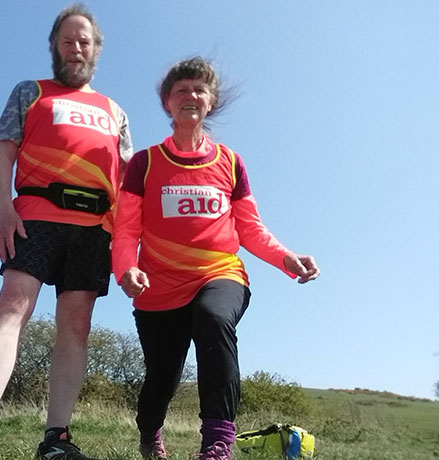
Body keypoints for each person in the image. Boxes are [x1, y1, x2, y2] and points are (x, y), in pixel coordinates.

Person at [0, 4, 133, 460]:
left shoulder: (115, 112)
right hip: (36, 214)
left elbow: (126, 180)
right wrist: (5, 209)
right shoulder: (30, 92)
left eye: (85, 40)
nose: (76, 46)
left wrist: (125, 241)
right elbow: (4, 155)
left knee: (76, 325)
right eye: (68, 39)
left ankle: (56, 439)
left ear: (96, 50)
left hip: (94, 227)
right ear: (54, 47)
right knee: (13, 304)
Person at [112, 57, 319, 460]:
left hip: (219, 273)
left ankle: (217, 443)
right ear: (167, 103)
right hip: (159, 286)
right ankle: (149, 434)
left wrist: (285, 257)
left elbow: (250, 229)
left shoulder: (230, 162)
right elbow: (126, 229)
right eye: (181, 90)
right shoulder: (145, 163)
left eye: (199, 90)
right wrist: (126, 268)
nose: (191, 95)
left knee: (214, 318)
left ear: (211, 102)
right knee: (162, 378)